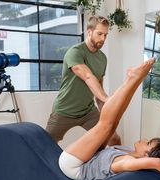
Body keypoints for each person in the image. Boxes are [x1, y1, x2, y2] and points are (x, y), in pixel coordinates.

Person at [46, 15, 121, 146]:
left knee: (113, 138)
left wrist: (106, 115)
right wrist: (108, 99)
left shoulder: (102, 58)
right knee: (46, 144)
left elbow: (99, 90)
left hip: (88, 111)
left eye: (105, 35)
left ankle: (119, 166)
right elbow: (87, 76)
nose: (103, 39)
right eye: (99, 34)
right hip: (64, 110)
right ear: (89, 31)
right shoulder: (75, 52)